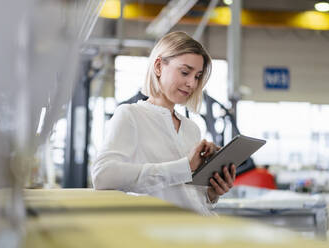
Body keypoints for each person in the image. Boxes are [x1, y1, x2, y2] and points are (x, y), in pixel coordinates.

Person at [91, 31, 236, 215]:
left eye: (197, 76)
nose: (192, 83)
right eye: (185, 72)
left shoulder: (192, 129)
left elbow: (189, 197)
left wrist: (211, 193)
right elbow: (103, 175)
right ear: (159, 66)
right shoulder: (130, 115)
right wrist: (185, 167)